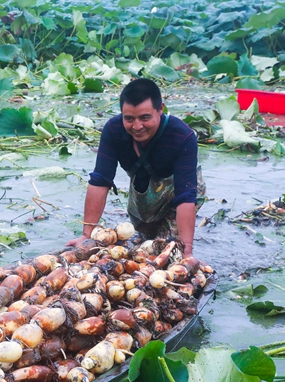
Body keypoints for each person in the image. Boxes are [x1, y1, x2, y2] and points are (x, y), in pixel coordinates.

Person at [66, 78, 206, 257]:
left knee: (168, 250)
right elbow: (100, 180)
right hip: (144, 187)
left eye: (145, 118)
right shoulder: (113, 130)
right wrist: (87, 235)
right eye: (129, 119)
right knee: (144, 236)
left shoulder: (182, 136)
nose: (137, 126)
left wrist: (187, 251)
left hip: (178, 191)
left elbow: (185, 196)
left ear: (160, 109)